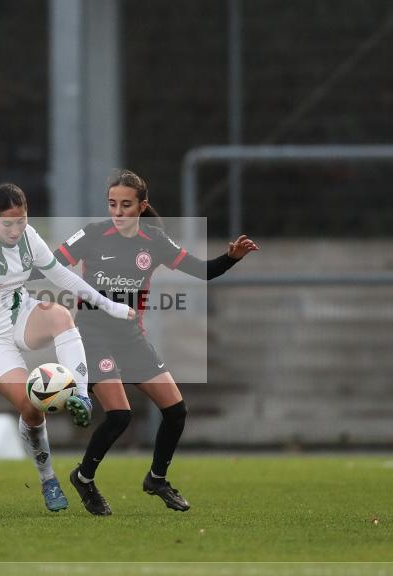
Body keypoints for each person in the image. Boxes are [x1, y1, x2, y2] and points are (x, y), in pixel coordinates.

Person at [54, 169, 259, 516]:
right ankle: (84, 478)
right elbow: (52, 264)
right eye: (112, 205)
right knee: (119, 416)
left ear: (142, 206)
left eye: (126, 205)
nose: (118, 212)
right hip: (92, 334)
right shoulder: (92, 234)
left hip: (131, 337)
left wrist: (232, 258)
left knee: (176, 411)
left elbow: (202, 271)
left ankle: (156, 478)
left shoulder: (155, 242)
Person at [0, 183, 135, 511]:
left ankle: (80, 394)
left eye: (21, 221)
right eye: (6, 223)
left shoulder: (29, 237)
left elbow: (63, 277)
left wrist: (109, 305)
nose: (15, 230)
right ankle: (48, 478)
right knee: (30, 408)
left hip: (18, 313)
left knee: (60, 316)